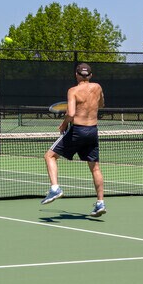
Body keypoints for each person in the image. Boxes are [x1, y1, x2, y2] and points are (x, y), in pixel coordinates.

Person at [41, 63, 106, 217]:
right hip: (93, 131)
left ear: (76, 75)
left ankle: (55, 188)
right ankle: (100, 203)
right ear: (90, 75)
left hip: (78, 130)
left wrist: (63, 125)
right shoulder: (98, 87)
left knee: (49, 156)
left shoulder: (73, 91)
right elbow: (101, 104)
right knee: (95, 168)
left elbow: (70, 113)